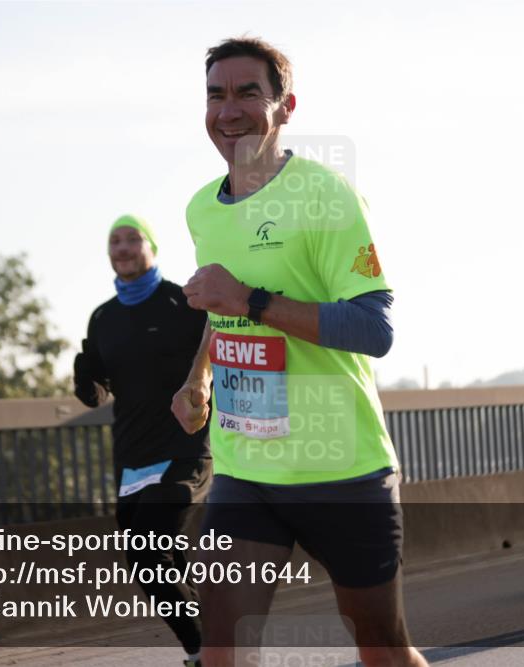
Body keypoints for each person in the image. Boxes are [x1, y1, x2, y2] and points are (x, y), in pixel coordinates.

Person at [171, 37, 428, 667]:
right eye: (215, 94)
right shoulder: (203, 208)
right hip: (245, 469)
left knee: (381, 647)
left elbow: (375, 330)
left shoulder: (325, 196)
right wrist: (198, 375)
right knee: (223, 638)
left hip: (340, 467)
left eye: (247, 93)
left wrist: (252, 300)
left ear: (284, 107)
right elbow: (221, 306)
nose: (228, 111)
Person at [74, 214, 211, 667]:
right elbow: (97, 392)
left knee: (155, 540)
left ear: (151, 247)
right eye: (115, 240)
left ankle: (207, 650)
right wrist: (84, 381)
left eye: (133, 238)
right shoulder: (103, 318)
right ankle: (209, 647)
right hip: (132, 458)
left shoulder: (182, 302)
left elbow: (218, 355)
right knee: (148, 560)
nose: (124, 247)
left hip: (186, 446)